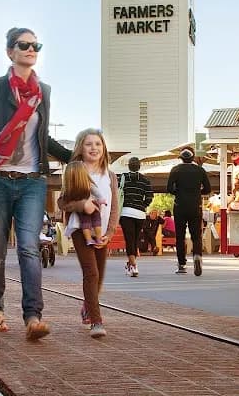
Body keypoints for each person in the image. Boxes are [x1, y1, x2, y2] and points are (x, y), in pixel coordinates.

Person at [0, 26, 71, 340]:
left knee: (29, 248)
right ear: (10, 51)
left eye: (36, 45)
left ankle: (33, 316)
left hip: (33, 182)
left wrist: (74, 156)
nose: (31, 49)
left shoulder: (43, 92)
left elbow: (43, 137)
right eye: (24, 45)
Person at [59, 128, 119, 339]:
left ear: (104, 149)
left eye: (98, 144)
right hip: (80, 229)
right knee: (91, 273)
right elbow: (63, 202)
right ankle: (96, 321)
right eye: (88, 144)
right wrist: (82, 205)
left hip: (102, 231)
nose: (94, 148)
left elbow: (114, 207)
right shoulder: (74, 170)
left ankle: (87, 306)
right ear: (80, 148)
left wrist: (110, 232)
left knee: (99, 276)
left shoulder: (110, 175)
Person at [167, 147, 211, 276]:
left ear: (181, 158)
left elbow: (169, 188)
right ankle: (197, 255)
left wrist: (179, 193)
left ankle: (182, 264)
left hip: (180, 205)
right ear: (193, 158)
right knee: (196, 235)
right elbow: (207, 189)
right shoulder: (200, 170)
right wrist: (197, 193)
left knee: (180, 236)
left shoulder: (175, 170)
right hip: (195, 206)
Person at [119, 157, 153, 277]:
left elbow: (115, 192)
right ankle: (131, 263)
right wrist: (142, 205)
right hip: (140, 214)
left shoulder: (122, 178)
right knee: (135, 239)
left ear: (128, 166)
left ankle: (133, 265)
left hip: (125, 212)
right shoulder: (145, 180)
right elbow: (149, 197)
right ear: (139, 167)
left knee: (129, 239)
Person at [62, 161, 106, 246]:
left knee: (85, 222)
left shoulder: (68, 189)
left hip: (80, 211)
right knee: (96, 220)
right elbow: (97, 193)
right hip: (92, 206)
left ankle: (88, 239)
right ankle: (98, 237)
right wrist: (101, 200)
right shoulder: (88, 184)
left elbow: (64, 202)